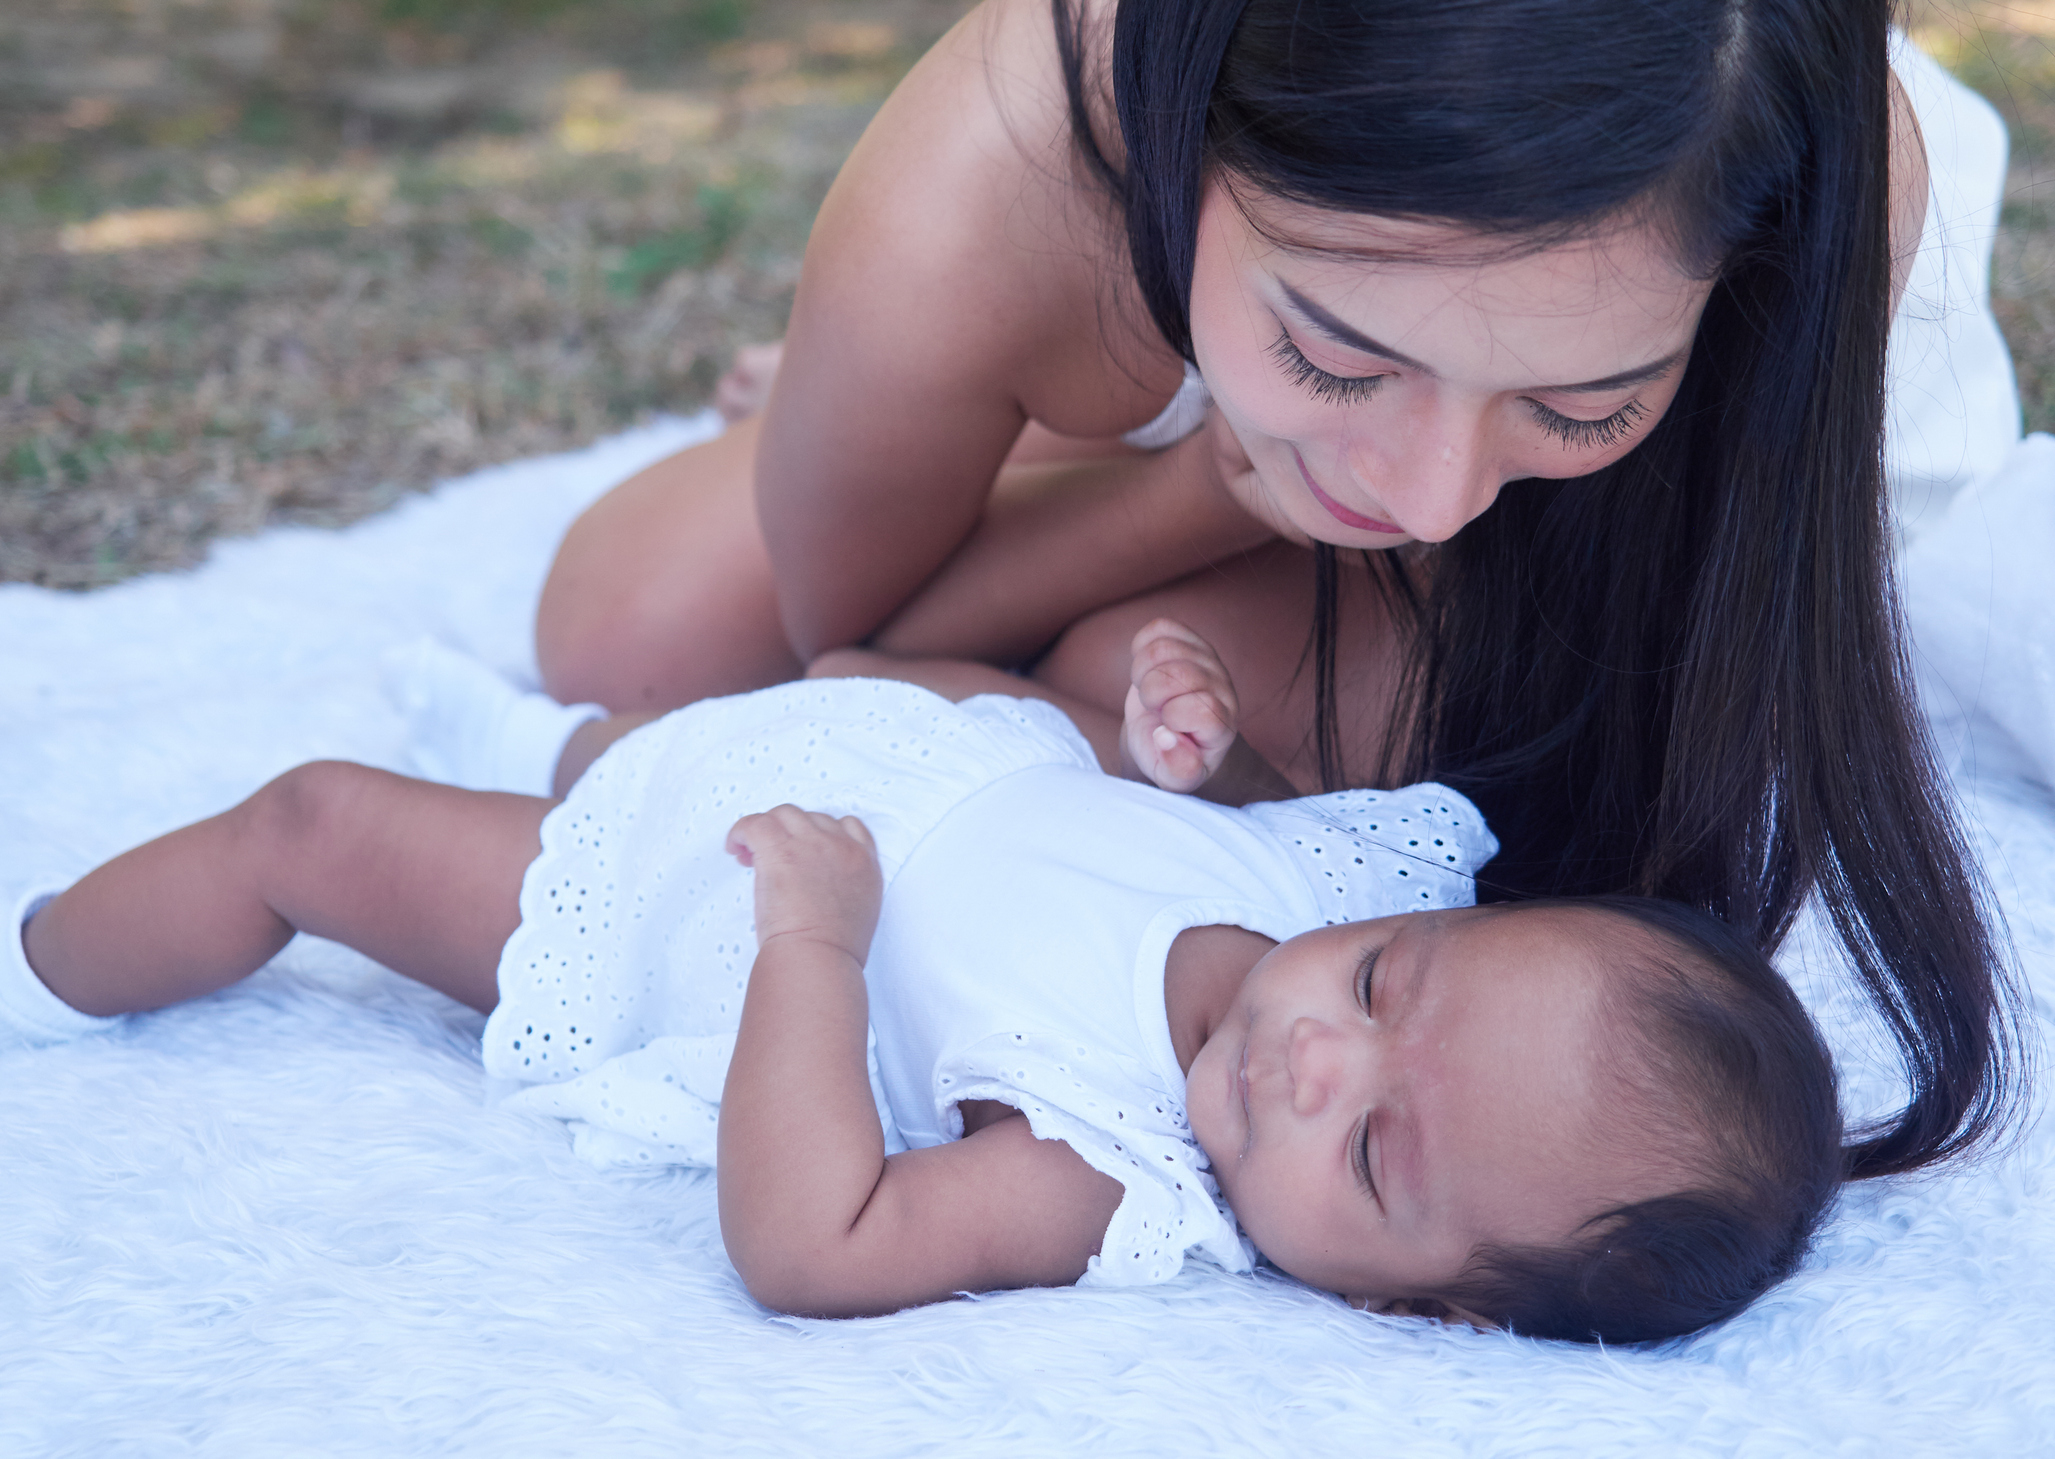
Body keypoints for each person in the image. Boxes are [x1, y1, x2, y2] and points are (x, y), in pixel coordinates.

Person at [533, 0, 2024, 1178]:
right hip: (1130, 319)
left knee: (1206, 714)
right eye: (1336, 352)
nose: (1428, 493)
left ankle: (1137, 404)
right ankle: (1027, 397)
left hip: (1573, 514)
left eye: (1584, 402)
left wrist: (1354, 429)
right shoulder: (992, 171)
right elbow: (856, 649)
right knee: (628, 631)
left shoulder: (1822, 184)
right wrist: (1186, 485)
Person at [4, 629, 1839, 1344]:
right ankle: (536, 729)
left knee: (321, 828)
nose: (1313, 1063)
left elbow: (821, 1241)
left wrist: (813, 941)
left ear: (1432, 1310)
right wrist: (1180, 740)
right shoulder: (1315, 889)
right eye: (1382, 987)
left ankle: (47, 955)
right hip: (878, 749)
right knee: (665, 737)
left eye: (1374, 1160)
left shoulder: (1101, 1163)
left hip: (702, 916)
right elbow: (1225, 841)